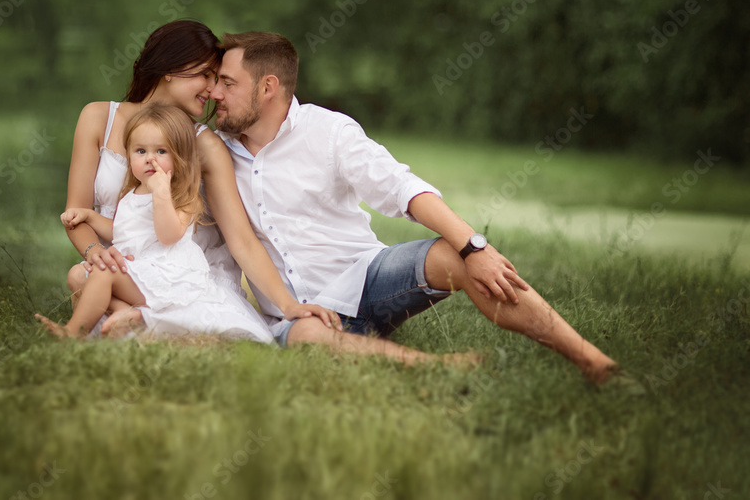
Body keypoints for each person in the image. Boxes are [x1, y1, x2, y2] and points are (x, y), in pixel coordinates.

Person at [208, 30, 620, 382]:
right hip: (296, 313)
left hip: (366, 279)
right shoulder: (213, 152)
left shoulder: (328, 131)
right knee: (303, 339)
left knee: (458, 256)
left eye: (228, 83)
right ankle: (440, 367)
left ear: (268, 87)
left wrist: (475, 248)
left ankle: (593, 361)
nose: (214, 93)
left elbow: (401, 187)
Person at [57, 20, 340, 337]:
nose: (213, 89)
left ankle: (148, 317)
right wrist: (95, 250)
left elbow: (240, 238)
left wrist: (289, 306)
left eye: (218, 78)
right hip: (120, 270)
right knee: (80, 276)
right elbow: (76, 212)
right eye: (205, 74)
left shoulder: (203, 143)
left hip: (178, 274)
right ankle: (129, 313)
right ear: (170, 68)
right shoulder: (98, 118)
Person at [36, 104, 274, 342]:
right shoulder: (132, 193)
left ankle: (72, 333)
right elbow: (121, 231)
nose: (150, 159)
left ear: (180, 157)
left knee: (102, 273)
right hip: (139, 271)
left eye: (161, 151)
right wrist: (88, 216)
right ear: (129, 155)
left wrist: (162, 194)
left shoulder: (181, 196)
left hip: (167, 276)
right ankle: (126, 310)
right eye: (140, 151)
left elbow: (169, 235)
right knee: (76, 275)